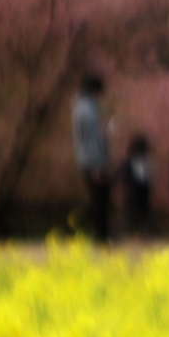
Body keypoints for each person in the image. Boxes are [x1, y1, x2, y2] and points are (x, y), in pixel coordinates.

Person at [72, 75, 111, 241]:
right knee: (100, 199)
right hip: (93, 161)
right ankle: (96, 233)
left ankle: (96, 232)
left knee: (99, 197)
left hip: (86, 160)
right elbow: (91, 139)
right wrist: (97, 166)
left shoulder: (79, 107)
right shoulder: (88, 110)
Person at [117, 134, 153, 237]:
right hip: (134, 192)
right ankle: (135, 233)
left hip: (140, 192)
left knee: (140, 214)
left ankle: (139, 233)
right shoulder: (130, 161)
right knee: (135, 215)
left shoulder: (143, 161)